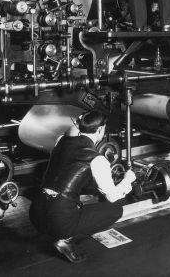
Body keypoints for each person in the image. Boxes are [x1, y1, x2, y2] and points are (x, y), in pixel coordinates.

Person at [29, 110, 136, 263]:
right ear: (100, 130)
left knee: (75, 193)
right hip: (59, 221)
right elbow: (112, 196)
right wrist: (127, 180)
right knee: (116, 209)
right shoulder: (97, 159)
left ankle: (61, 229)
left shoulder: (60, 141)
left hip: (36, 215)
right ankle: (66, 239)